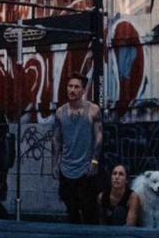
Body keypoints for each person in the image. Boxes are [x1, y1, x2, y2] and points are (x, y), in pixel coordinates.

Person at [52, 73, 103, 224]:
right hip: (66, 168)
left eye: (76, 87)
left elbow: (99, 138)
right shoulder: (60, 112)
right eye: (70, 86)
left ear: (83, 90)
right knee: (71, 210)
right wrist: (54, 164)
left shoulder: (93, 110)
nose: (72, 90)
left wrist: (94, 162)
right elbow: (56, 139)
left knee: (89, 210)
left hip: (86, 169)